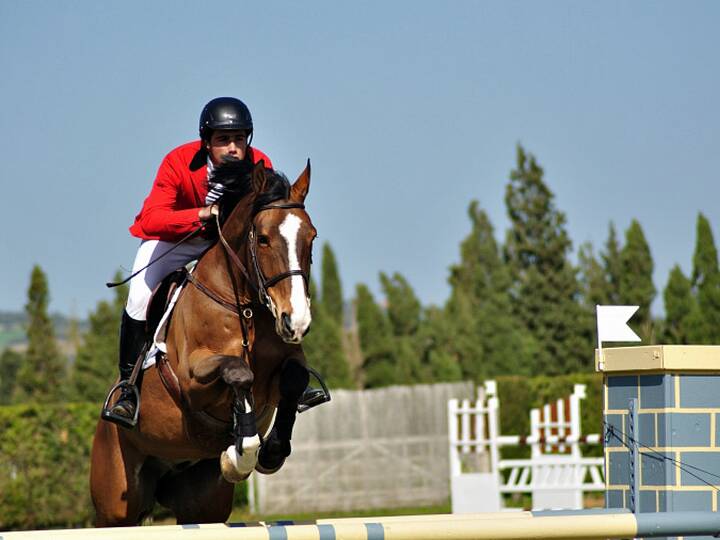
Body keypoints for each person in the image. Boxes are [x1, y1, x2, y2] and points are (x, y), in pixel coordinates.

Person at [103, 97, 273, 425]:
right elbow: (152, 218)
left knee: (271, 283)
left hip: (225, 246)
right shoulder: (179, 162)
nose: (233, 148)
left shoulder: (259, 163)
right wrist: (201, 213)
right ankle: (127, 387)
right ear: (206, 142)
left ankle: (288, 365)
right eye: (223, 140)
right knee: (138, 297)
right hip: (176, 239)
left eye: (239, 138)